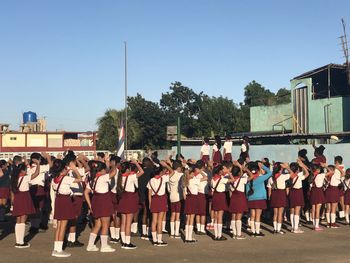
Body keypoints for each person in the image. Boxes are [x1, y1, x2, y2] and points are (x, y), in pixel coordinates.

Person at [84, 160, 118, 252]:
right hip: (104, 201)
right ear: (102, 170)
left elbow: (86, 193)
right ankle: (104, 246)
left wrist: (90, 205)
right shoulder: (103, 177)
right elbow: (114, 172)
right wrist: (113, 165)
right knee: (105, 224)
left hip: (96, 202)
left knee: (97, 225)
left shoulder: (92, 180)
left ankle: (90, 245)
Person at [51, 159, 82, 257]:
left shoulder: (54, 178)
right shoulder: (66, 179)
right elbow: (80, 179)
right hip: (65, 201)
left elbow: (62, 175)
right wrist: (75, 169)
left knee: (59, 226)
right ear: (62, 168)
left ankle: (56, 248)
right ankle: (59, 250)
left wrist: (67, 170)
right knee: (63, 226)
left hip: (58, 201)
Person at [11, 160, 40, 248]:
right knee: (23, 219)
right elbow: (36, 173)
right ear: (23, 170)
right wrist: (38, 164)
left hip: (17, 198)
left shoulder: (14, 178)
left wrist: (12, 203)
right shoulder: (25, 177)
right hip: (24, 197)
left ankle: (18, 241)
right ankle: (21, 242)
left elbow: (12, 191)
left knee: (18, 219)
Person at [117, 160, 144, 249]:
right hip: (130, 199)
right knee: (128, 222)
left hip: (123, 199)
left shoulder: (120, 177)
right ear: (128, 169)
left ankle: (123, 241)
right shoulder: (131, 177)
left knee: (123, 222)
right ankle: (127, 243)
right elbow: (141, 172)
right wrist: (136, 163)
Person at [229, 161, 254, 239]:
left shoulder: (231, 180)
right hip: (240, 198)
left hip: (233, 197)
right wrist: (245, 169)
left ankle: (234, 234)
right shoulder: (242, 179)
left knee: (233, 216)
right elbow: (252, 176)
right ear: (239, 173)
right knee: (239, 217)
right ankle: (238, 234)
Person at [246, 161, 272, 237]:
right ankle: (257, 232)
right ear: (257, 170)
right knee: (258, 216)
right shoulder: (260, 178)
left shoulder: (248, 180)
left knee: (252, 215)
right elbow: (270, 173)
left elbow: (247, 191)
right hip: (260, 198)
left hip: (251, 198)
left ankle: (253, 232)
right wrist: (263, 166)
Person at [210, 162, 235, 241]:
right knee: (220, 216)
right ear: (220, 171)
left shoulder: (212, 179)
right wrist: (228, 173)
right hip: (221, 196)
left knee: (216, 215)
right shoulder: (222, 179)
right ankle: (219, 235)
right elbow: (233, 180)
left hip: (215, 196)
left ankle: (216, 235)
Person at [147, 162, 170, 246]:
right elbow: (172, 172)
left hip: (154, 200)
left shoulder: (150, 180)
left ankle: (154, 240)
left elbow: (149, 194)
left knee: (154, 221)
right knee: (160, 221)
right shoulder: (163, 178)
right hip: (162, 199)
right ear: (160, 172)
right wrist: (166, 165)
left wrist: (150, 204)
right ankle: (159, 240)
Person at [183, 164, 207, 243]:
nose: (194, 174)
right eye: (193, 173)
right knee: (191, 218)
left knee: (188, 218)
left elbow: (184, 195)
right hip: (193, 198)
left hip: (188, 199)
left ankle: (187, 237)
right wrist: (201, 171)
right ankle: (189, 237)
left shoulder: (185, 181)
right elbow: (205, 178)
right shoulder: (193, 180)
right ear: (190, 174)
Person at [267, 162, 291, 235]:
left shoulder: (271, 178)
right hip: (281, 194)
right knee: (280, 214)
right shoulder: (283, 176)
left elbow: (269, 190)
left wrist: (270, 198)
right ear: (280, 169)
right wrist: (287, 167)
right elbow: (292, 174)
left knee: (275, 213)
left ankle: (275, 229)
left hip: (274, 195)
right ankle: (278, 229)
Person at [288, 160, 309, 233]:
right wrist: (302, 165)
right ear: (297, 169)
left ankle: (293, 227)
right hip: (298, 192)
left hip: (291, 192)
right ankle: (296, 228)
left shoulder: (289, 176)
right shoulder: (299, 176)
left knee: (292, 210)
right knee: (297, 210)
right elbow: (307, 173)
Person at [324, 164, 344, 228]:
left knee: (328, 208)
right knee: (333, 208)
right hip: (334, 190)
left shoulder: (325, 175)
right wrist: (338, 168)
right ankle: (332, 223)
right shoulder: (335, 175)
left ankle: (328, 223)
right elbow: (343, 173)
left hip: (327, 191)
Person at [168, 159, 184, 239]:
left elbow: (168, 188)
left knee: (172, 214)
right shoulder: (180, 175)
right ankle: (176, 232)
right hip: (178, 196)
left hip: (171, 196)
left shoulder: (170, 175)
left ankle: (172, 233)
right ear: (178, 167)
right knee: (177, 215)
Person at [309, 163, 326, 231]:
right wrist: (325, 166)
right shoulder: (321, 175)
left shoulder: (311, 175)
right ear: (318, 169)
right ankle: (316, 226)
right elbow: (331, 172)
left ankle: (314, 224)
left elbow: (310, 185)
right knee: (317, 210)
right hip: (319, 192)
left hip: (313, 191)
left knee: (313, 209)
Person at [194, 160, 208, 235]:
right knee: (202, 213)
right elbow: (206, 178)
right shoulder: (204, 174)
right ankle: (202, 229)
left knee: (197, 213)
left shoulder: (194, 175)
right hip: (202, 194)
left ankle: (198, 228)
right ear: (202, 167)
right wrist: (201, 171)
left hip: (196, 194)